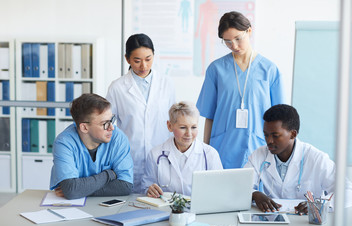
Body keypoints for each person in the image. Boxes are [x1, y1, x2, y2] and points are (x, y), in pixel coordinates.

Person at [196, 11, 285, 169]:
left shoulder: (269, 70)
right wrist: (205, 152)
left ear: (249, 31)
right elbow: (209, 117)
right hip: (223, 148)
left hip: (260, 148)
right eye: (228, 41)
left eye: (238, 39)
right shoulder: (216, 70)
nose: (234, 46)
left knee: (257, 192)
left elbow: (279, 119)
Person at [244, 104, 352, 214]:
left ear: (293, 134)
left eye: (275, 135)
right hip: (272, 218)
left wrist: (319, 204)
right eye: (266, 135)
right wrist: (254, 194)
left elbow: (350, 192)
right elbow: (241, 188)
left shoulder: (316, 158)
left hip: (306, 221)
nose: (269, 141)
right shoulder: (259, 155)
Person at [107, 33, 175, 193]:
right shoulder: (117, 87)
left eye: (148, 59)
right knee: (129, 206)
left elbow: (174, 121)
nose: (143, 66)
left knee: (161, 205)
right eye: (137, 61)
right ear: (127, 59)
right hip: (130, 158)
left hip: (162, 158)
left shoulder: (166, 84)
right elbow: (107, 125)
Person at [50, 94, 133, 199]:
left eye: (111, 120)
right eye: (105, 123)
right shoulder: (64, 143)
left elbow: (125, 186)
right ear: (84, 127)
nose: (111, 127)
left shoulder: (118, 138)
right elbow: (71, 189)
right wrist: (108, 175)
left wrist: (80, 190)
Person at [142, 101, 223, 197]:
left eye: (193, 127)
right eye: (183, 127)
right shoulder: (155, 155)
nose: (189, 133)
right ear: (169, 126)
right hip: (166, 210)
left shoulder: (210, 154)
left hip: (198, 210)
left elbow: (219, 191)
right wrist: (149, 190)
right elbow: (146, 188)